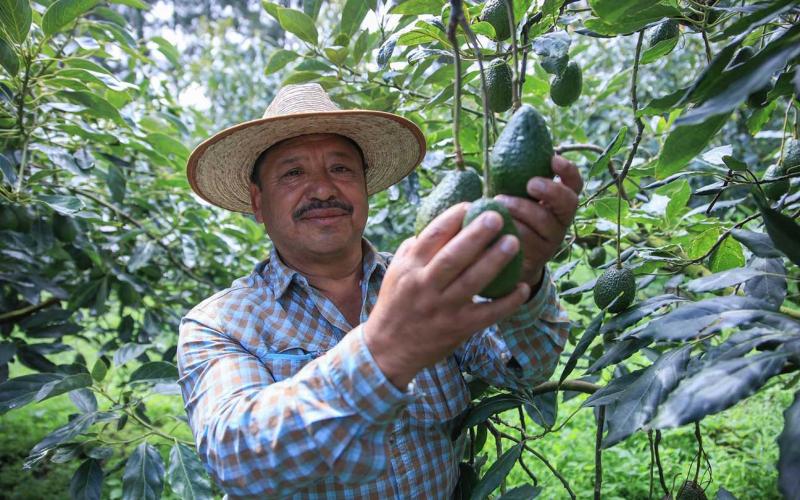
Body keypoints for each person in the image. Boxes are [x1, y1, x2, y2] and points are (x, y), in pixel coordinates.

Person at [178, 83, 580, 498]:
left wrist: (525, 271)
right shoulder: (219, 323)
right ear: (258, 203)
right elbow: (236, 458)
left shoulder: (425, 280)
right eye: (293, 173)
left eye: (341, 169)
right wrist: (386, 349)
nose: (322, 189)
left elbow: (525, 368)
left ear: (365, 188)